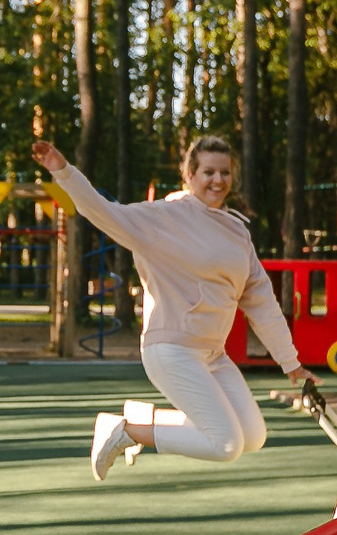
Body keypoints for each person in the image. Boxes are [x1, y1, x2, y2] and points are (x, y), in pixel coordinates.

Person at [34, 133, 311, 480]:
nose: (218, 180)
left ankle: (137, 421)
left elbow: (262, 303)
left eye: (225, 173)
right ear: (191, 175)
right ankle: (126, 431)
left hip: (212, 354)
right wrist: (63, 171)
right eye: (208, 172)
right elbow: (102, 211)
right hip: (171, 349)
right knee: (225, 444)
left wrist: (292, 364)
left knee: (253, 436)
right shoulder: (164, 218)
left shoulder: (237, 232)